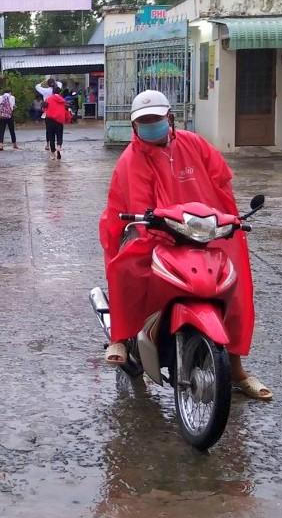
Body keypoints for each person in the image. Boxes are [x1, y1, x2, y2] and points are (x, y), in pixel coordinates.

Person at [98, 90, 272, 401]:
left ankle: (236, 369)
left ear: (170, 118)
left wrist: (228, 220)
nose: (151, 126)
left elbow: (221, 183)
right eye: (144, 122)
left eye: (156, 119)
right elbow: (137, 205)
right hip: (158, 232)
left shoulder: (194, 143)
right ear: (134, 126)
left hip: (203, 231)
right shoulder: (131, 159)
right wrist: (157, 226)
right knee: (128, 268)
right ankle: (122, 337)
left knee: (235, 286)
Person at [44, 85, 72, 160]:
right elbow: (66, 110)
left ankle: (53, 154)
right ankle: (59, 146)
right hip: (59, 120)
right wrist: (68, 119)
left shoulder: (48, 99)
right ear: (60, 93)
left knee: (51, 136)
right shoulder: (63, 101)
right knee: (59, 135)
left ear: (53, 92)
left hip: (49, 120)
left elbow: (44, 108)